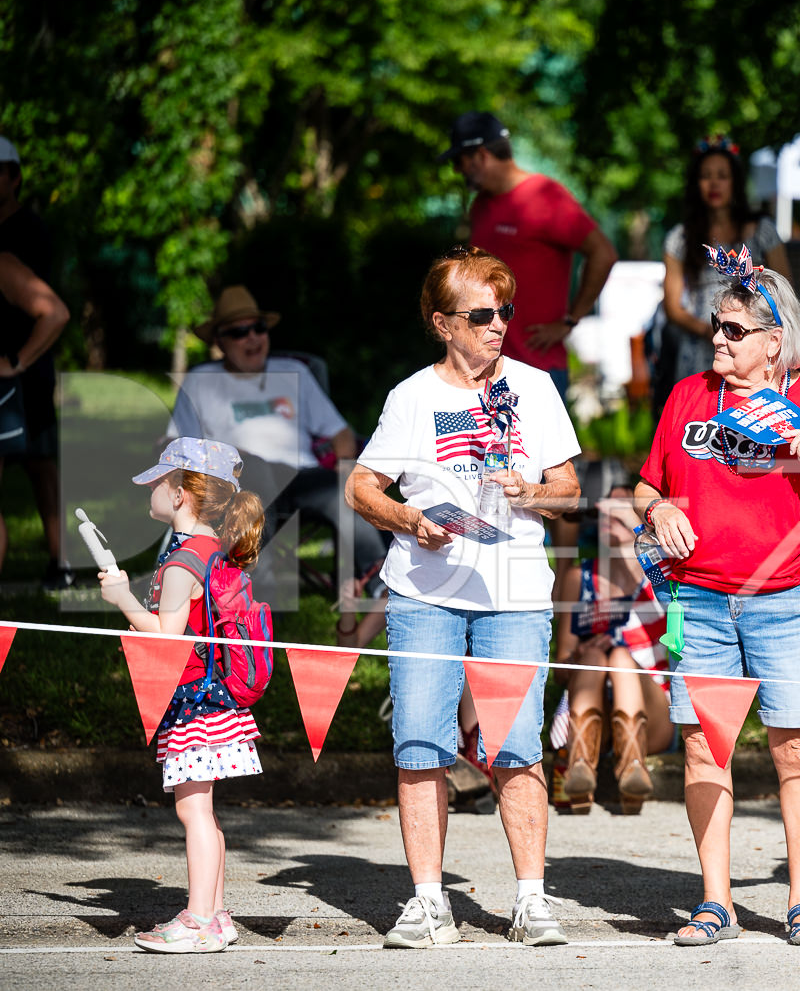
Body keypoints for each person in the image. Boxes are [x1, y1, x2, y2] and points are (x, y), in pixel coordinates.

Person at [637, 252, 800, 947]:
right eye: (716, 326)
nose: (716, 339)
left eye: (733, 330)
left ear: (773, 341)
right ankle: (715, 903)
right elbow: (645, 484)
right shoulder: (689, 396)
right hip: (699, 602)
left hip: (789, 602)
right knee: (703, 752)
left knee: (798, 752)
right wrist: (659, 507)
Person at [345, 245, 582, 948]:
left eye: (505, 311)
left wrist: (531, 491)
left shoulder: (535, 388)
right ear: (442, 323)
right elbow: (361, 487)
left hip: (515, 592)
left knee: (518, 745)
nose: (498, 324)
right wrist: (409, 519)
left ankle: (532, 900)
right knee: (420, 743)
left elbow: (570, 491)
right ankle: (428, 903)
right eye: (480, 315)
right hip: (425, 592)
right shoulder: (412, 397)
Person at [96, 437, 266, 954]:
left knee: (193, 814)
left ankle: (199, 921)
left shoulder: (182, 561)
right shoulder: (212, 550)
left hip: (195, 704)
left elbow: (167, 637)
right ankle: (216, 916)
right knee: (204, 813)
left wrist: (122, 599)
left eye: (158, 481)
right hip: (217, 701)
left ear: (180, 495)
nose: (149, 488)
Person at [170, 285, 387, 637]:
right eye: (239, 332)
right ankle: (262, 598)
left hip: (302, 477)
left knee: (346, 491)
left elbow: (341, 433)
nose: (252, 338)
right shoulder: (201, 382)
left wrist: (345, 466)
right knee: (254, 470)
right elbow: (178, 444)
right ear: (220, 341)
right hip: (237, 479)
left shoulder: (292, 372)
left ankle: (381, 585)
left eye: (258, 328)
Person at [442, 111, 617, 398]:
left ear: (481, 155)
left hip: (538, 370)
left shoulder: (546, 196)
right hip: (482, 372)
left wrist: (571, 320)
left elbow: (603, 253)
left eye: (458, 161)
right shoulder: (480, 206)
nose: (457, 170)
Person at [552, 483, 674, 814]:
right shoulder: (580, 578)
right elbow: (561, 669)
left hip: (654, 709)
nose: (611, 513)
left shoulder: (658, 575)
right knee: (595, 656)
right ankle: (583, 768)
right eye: (607, 508)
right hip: (597, 711)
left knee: (620, 656)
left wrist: (636, 527)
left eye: (623, 507)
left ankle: (630, 766)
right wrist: (583, 654)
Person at [660, 137, 791, 397]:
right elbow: (673, 308)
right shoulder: (679, 238)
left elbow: (784, 292)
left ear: (735, 182)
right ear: (696, 184)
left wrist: (741, 333)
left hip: (752, 347)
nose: (714, 183)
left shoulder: (763, 231)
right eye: (706, 176)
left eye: (722, 176)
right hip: (698, 349)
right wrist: (715, 332)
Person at [0, 135, 72, 588]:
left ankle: (61, 562)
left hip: (26, 369)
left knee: (41, 465)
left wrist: (18, 360)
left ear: (14, 177)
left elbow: (50, 309)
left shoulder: (28, 230)